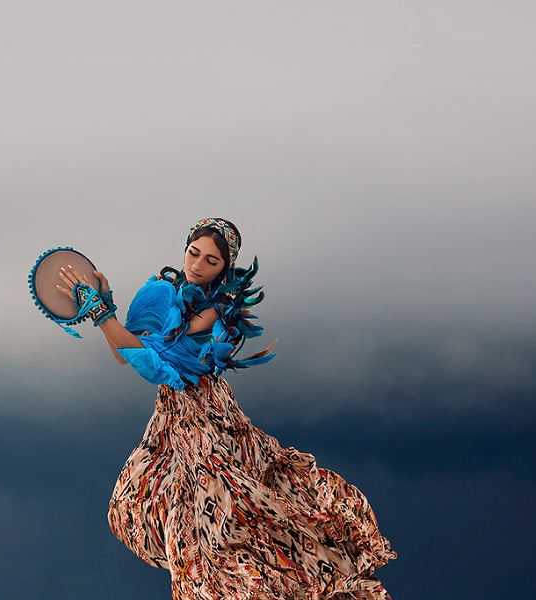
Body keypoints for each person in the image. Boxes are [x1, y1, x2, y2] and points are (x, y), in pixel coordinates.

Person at [56, 218, 395, 600]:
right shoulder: (159, 292)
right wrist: (108, 309)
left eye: (211, 261)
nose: (197, 265)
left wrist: (103, 315)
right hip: (171, 418)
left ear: (225, 269)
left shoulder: (217, 307)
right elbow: (125, 355)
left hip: (205, 414)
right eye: (193, 253)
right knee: (137, 502)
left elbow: (161, 367)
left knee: (221, 518)